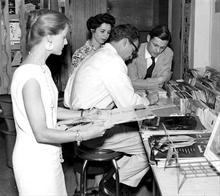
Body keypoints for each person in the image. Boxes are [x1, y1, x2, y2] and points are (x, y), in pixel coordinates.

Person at [10, 9, 111, 196]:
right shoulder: (29, 77)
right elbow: (41, 133)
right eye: (63, 37)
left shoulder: (42, 69)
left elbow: (49, 109)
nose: (65, 42)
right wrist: (83, 133)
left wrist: (84, 114)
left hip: (49, 157)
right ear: (49, 39)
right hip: (34, 162)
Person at [65, 24, 158, 194]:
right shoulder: (112, 61)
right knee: (153, 146)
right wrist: (149, 100)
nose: (133, 55)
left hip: (78, 124)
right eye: (134, 49)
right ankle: (112, 184)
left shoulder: (97, 54)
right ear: (125, 42)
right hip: (91, 130)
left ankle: (115, 181)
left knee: (138, 136)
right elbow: (130, 105)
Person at [64, 13, 115, 108]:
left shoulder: (107, 51)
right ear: (93, 30)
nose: (105, 35)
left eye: (108, 32)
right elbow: (75, 83)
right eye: (102, 31)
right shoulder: (81, 53)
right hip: (85, 102)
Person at [128, 24, 173, 91]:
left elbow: (163, 81)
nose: (158, 51)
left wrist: (140, 83)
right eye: (155, 45)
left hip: (155, 93)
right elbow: (131, 82)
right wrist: (158, 80)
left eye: (162, 47)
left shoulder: (168, 52)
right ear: (148, 38)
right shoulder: (134, 51)